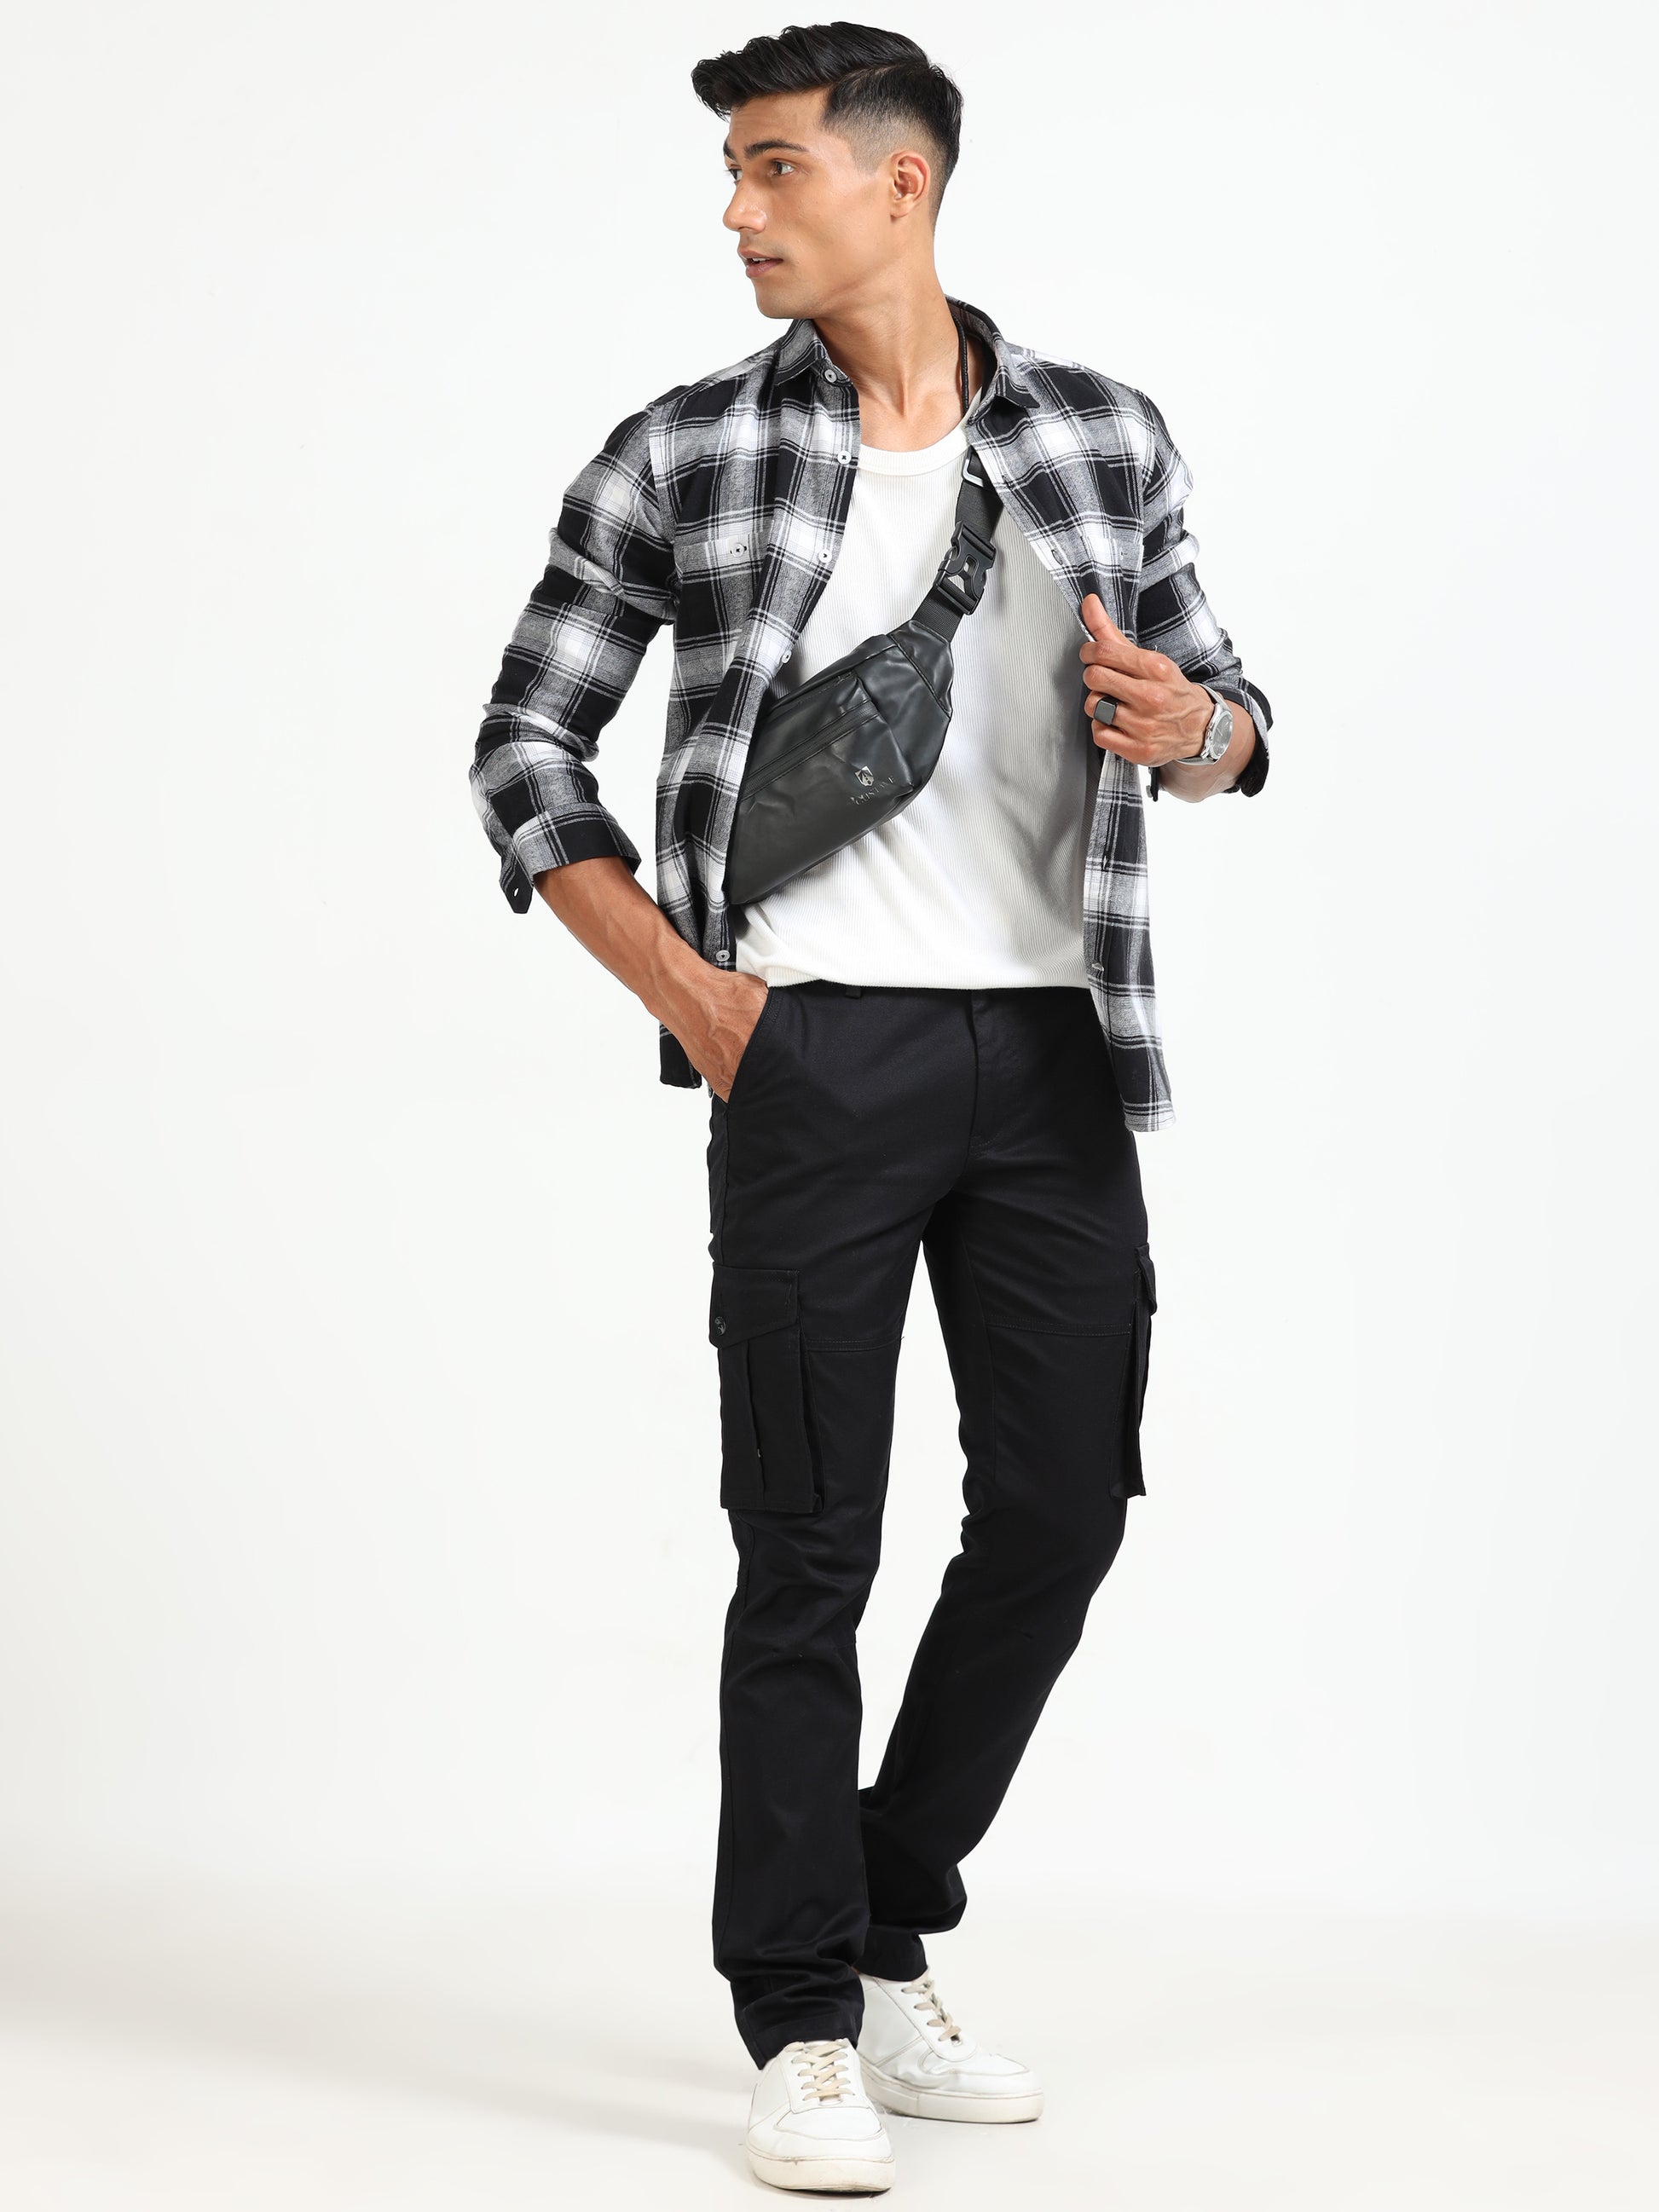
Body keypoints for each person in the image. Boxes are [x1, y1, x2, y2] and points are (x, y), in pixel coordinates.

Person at [469, 23, 1270, 2195]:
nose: (737, 209)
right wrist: (690, 991)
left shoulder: (1099, 432)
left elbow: (1234, 712)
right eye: (734, 172)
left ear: (896, 185)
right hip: (814, 1051)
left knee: (1063, 1510)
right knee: (806, 1545)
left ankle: (883, 1909)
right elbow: (525, 744)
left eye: (773, 167)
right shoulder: (685, 450)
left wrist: (1194, 726)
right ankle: (802, 2017)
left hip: (1054, 1051)